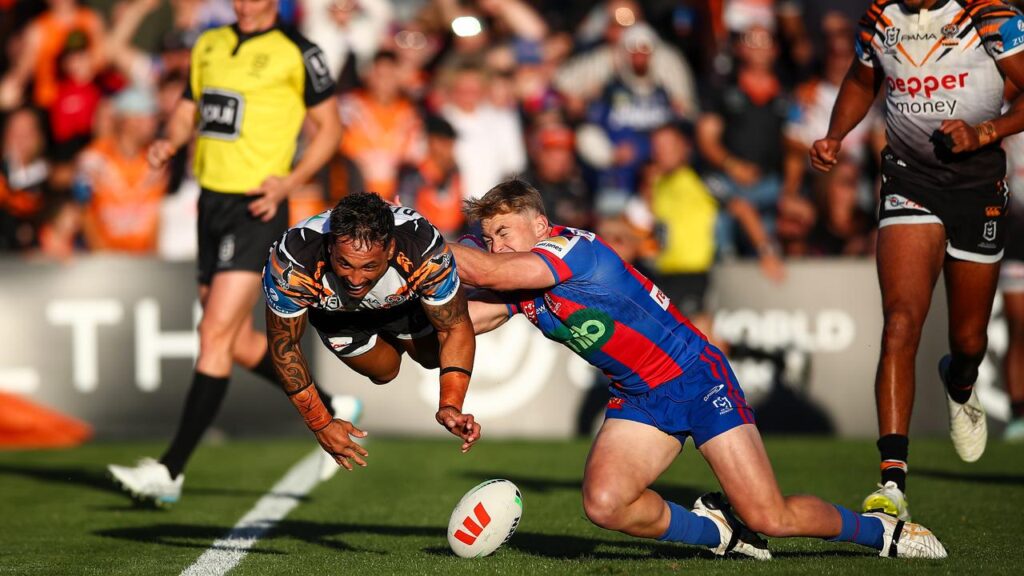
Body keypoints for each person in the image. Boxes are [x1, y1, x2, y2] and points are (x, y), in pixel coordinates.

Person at [449, 180, 947, 560]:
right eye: (488, 236)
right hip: (640, 398)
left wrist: (420, 243)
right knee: (605, 504)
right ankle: (719, 534)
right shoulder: (520, 282)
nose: (495, 245)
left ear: (538, 225)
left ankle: (883, 533)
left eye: (503, 232)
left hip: (696, 378)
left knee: (769, 516)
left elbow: (487, 273)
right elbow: (459, 322)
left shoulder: (569, 250)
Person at [108, 0, 347, 506]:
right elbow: (189, 108)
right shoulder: (209, 43)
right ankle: (328, 405)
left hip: (255, 208)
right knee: (233, 340)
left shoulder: (298, 52)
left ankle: (170, 470)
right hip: (210, 203)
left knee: (213, 334)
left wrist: (289, 183)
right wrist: (171, 142)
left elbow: (330, 130)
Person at [810, 0, 1024, 521]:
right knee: (901, 323)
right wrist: (837, 135)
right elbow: (863, 82)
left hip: (977, 187)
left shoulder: (990, 16)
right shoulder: (879, 19)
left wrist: (985, 133)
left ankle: (961, 379)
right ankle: (892, 483)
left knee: (970, 339)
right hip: (908, 181)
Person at [263, 192, 480, 469]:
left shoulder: (424, 251)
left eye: (368, 266)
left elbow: (454, 327)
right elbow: (285, 347)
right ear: (330, 246)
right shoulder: (293, 262)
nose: (355, 279)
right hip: (337, 315)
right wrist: (321, 424)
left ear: (390, 250)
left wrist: (450, 405)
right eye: (344, 264)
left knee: (432, 358)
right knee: (385, 371)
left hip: (401, 303)